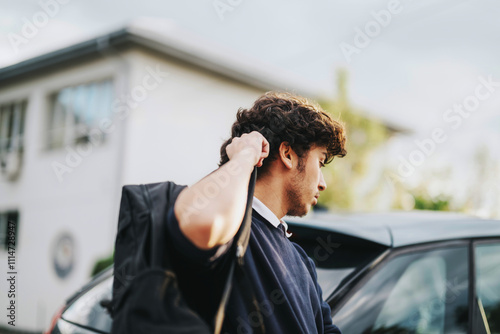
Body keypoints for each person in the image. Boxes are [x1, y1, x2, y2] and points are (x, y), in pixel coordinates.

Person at [165, 91, 346, 333]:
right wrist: (244, 156)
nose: (322, 183)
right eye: (320, 162)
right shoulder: (230, 234)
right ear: (288, 154)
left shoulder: (302, 261)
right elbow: (198, 221)